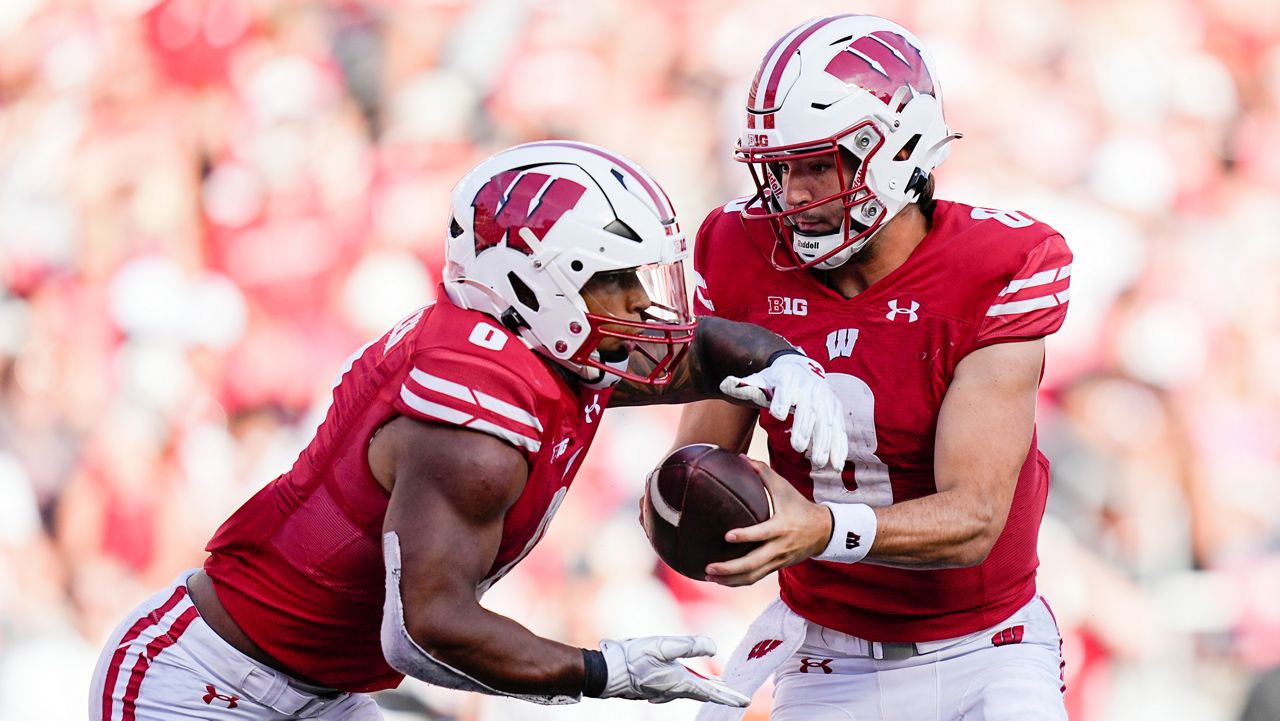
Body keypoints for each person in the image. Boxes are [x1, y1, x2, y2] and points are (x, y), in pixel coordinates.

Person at [90, 140, 852, 720]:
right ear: (535, 285)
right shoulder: (473, 421)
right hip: (203, 680)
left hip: (319, 687)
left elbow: (690, 353)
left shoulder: (536, 348)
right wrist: (601, 670)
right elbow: (423, 631)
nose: (640, 303)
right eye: (613, 280)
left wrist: (779, 361)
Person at [670, 15, 1073, 721]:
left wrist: (822, 528)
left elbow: (974, 518)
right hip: (825, 649)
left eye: (818, 163)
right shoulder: (739, 248)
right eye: (780, 168)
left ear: (900, 150)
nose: (793, 195)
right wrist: (685, 503)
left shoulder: (997, 266)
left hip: (988, 648)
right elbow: (700, 456)